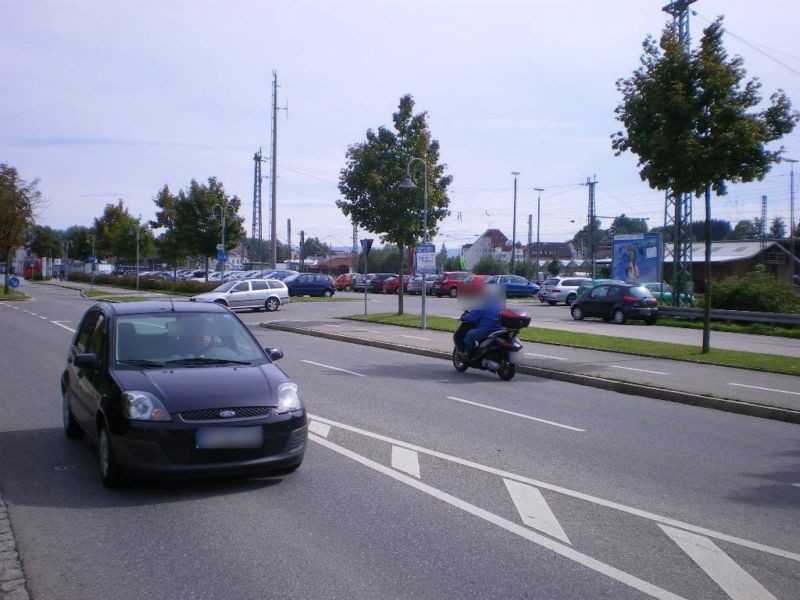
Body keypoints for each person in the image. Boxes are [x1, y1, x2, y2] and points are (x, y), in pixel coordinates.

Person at [460, 287, 503, 360]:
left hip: (486, 329)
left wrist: (463, 317)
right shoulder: (499, 304)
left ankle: (467, 354)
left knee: (469, 335)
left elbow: (473, 317)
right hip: (499, 329)